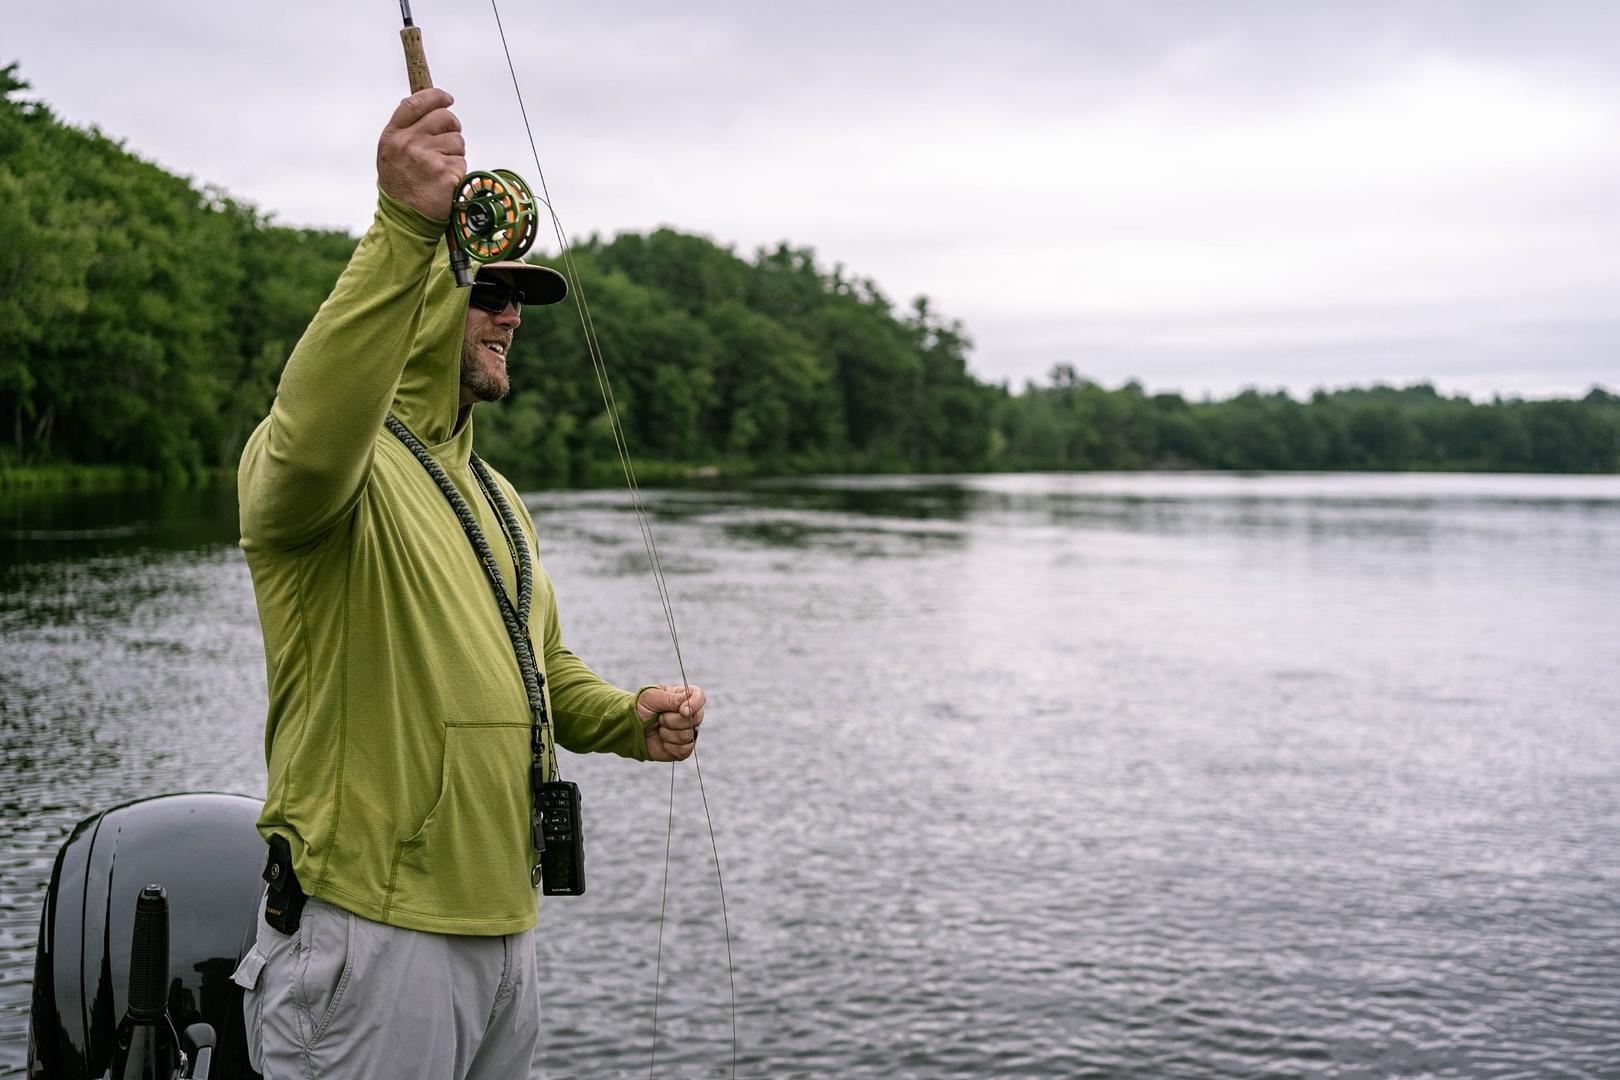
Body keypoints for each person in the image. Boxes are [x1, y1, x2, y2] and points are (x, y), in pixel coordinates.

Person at [229, 86, 706, 1079]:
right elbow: (320, 412)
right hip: (370, 938)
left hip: (502, 935)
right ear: (429, 303)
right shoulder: (325, 477)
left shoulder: (497, 496)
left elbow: (542, 669)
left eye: (518, 301)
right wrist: (407, 222)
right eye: (487, 294)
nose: (508, 318)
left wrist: (627, 716)